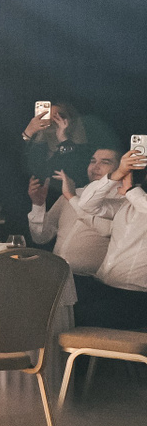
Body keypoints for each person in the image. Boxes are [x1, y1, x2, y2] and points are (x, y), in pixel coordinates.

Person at [30, 148, 123, 294]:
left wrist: (72, 197)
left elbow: (106, 230)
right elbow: (41, 237)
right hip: (54, 275)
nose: (95, 167)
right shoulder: (71, 193)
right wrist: (38, 204)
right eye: (92, 161)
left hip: (92, 285)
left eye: (105, 162)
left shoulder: (124, 200)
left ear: (120, 169)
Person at [81, 147, 147, 329]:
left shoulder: (134, 196)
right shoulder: (126, 204)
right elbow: (86, 204)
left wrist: (131, 190)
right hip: (102, 285)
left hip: (135, 297)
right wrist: (117, 173)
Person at [22, 100, 114, 193]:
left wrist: (64, 140)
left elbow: (75, 173)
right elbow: (17, 164)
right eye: (46, 116)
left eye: (59, 116)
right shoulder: (36, 148)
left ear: (71, 121)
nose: (53, 121)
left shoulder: (83, 150)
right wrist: (28, 132)